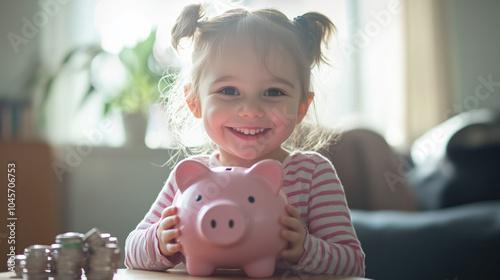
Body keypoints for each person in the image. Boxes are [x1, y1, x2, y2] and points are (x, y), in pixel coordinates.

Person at [125, 3, 365, 277]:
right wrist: (161, 241)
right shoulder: (192, 176)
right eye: (229, 90)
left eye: (274, 92)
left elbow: (352, 262)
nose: (251, 109)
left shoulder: (313, 175)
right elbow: (132, 250)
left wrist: (305, 248)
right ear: (194, 101)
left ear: (301, 106)